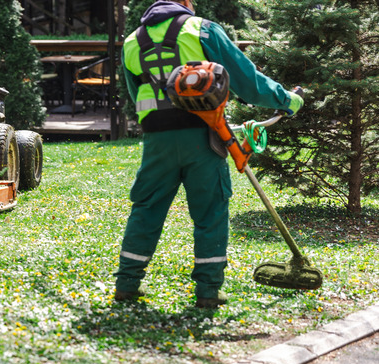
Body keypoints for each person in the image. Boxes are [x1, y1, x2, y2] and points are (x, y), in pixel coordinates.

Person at [115, 0, 304, 308]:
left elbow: (135, 93)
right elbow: (248, 81)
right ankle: (208, 291)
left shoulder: (133, 40)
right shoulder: (202, 30)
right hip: (203, 135)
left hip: (157, 139)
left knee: (146, 207)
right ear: (186, 2)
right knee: (210, 212)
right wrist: (288, 100)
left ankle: (126, 283)